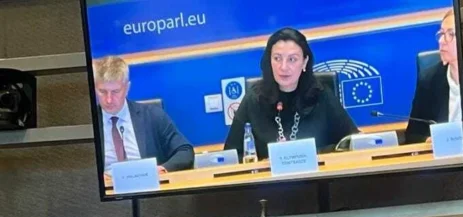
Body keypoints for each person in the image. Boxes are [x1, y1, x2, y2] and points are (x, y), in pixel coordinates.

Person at [223, 28, 358, 160]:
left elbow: (350, 143)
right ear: (269, 61)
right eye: (277, 58)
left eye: (292, 59)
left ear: (304, 62)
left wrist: (313, 155)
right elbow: (232, 156)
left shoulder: (321, 95)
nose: (283, 67)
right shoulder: (254, 99)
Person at [93, 56, 194, 175]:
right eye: (102, 91)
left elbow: (185, 151)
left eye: (115, 92)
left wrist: (162, 169)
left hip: (148, 183)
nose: (109, 99)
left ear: (127, 88)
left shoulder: (152, 116)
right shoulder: (88, 125)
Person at [405, 9, 462, 144]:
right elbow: (413, 134)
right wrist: (427, 141)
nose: (442, 41)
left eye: (451, 34)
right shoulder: (430, 80)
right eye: (441, 34)